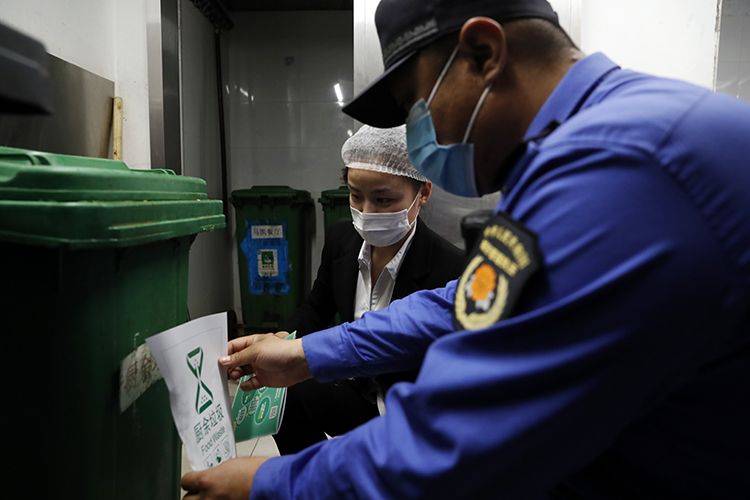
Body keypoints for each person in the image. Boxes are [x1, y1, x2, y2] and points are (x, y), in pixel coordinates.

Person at [181, 0, 750, 498]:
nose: (421, 133)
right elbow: (467, 304)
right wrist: (308, 354)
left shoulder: (616, 168)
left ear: (484, 53)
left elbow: (463, 435)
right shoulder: (598, 136)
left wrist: (270, 484)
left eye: (419, 102)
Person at [274, 125, 464, 454]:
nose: (366, 212)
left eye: (383, 199)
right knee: (281, 393)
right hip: (355, 393)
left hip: (407, 412)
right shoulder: (340, 241)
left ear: (424, 193)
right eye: (355, 196)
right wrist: (283, 344)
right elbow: (315, 310)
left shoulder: (449, 267)